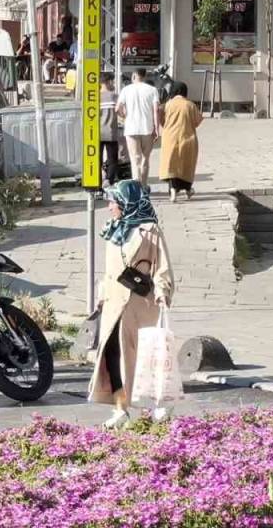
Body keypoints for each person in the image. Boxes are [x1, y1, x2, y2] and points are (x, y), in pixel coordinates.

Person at [89, 180, 176, 429]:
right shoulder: (112, 230)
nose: (109, 207)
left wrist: (163, 291)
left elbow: (162, 265)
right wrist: (101, 297)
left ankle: (159, 405)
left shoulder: (150, 230)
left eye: (113, 202)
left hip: (141, 303)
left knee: (147, 355)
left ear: (127, 203)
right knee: (113, 355)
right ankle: (120, 409)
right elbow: (108, 270)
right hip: (114, 304)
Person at [159, 82, 203, 203]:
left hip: (170, 138)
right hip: (187, 137)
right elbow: (197, 121)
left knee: (172, 164)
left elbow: (161, 120)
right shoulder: (190, 105)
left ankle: (173, 190)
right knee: (187, 165)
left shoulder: (168, 105)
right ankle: (188, 190)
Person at [117, 68, 160, 188]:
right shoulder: (152, 90)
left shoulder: (126, 90)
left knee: (135, 159)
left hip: (131, 129)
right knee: (145, 158)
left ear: (134, 75)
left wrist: (124, 116)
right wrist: (157, 128)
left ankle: (137, 186)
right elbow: (156, 110)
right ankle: (144, 185)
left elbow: (117, 108)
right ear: (145, 76)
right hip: (147, 128)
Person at [99, 73, 122, 187]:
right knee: (112, 159)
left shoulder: (94, 97)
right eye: (112, 81)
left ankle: (97, 183)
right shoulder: (115, 96)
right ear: (108, 82)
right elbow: (122, 113)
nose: (113, 84)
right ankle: (109, 180)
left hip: (97, 133)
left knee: (96, 159)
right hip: (111, 133)